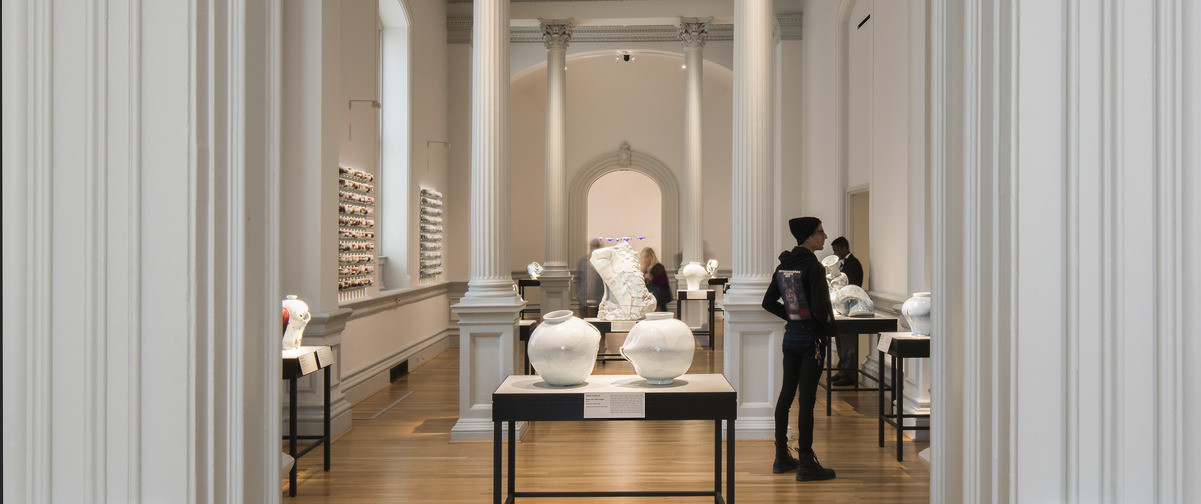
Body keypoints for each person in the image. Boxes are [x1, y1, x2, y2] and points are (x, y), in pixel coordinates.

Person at [761, 217, 837, 482]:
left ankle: (781, 456)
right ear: (808, 236)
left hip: (791, 337)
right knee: (806, 400)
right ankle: (806, 461)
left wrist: (792, 316)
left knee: (785, 395)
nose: (825, 237)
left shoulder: (785, 265)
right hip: (811, 341)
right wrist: (826, 326)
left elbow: (768, 301)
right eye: (820, 232)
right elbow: (819, 308)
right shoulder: (813, 267)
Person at [829, 236, 863, 386]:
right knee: (841, 341)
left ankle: (849, 374)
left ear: (844, 248)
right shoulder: (841, 264)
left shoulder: (854, 264)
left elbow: (853, 285)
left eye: (836, 250)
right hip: (841, 308)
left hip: (850, 308)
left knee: (849, 344)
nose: (835, 253)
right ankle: (843, 369)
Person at [576, 239, 605, 318]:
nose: (594, 249)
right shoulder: (582, 261)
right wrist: (579, 295)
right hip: (584, 301)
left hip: (599, 301)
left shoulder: (603, 263)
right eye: (593, 247)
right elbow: (578, 280)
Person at [638, 247, 672, 312]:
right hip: (652, 301)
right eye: (643, 257)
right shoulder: (645, 270)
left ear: (652, 256)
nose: (644, 260)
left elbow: (664, 283)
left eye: (647, 257)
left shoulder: (658, 267)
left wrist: (652, 278)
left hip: (658, 302)